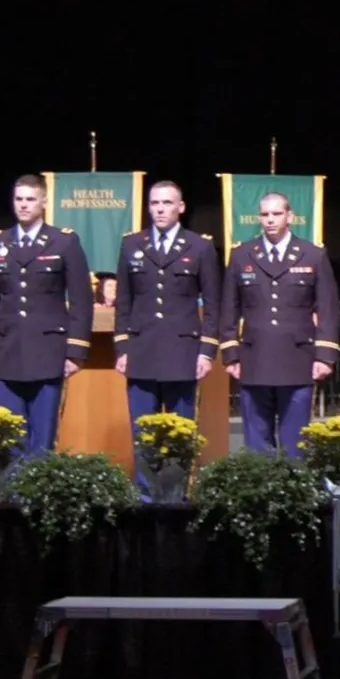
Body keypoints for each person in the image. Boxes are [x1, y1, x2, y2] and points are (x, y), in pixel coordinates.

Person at [113, 180, 221, 495]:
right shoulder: (132, 244)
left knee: (179, 436)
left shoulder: (199, 247)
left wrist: (206, 352)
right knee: (143, 435)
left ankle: (175, 501)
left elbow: (212, 305)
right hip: (142, 352)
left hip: (182, 354)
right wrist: (122, 347)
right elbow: (124, 302)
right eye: (155, 204)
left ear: (181, 207)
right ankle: (145, 499)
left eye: (167, 203)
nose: (160, 209)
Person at [0, 175, 93, 458]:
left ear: (43, 202)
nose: (24, 205)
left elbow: (81, 299)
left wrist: (75, 352)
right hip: (8, 352)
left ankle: (38, 496)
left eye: (30, 199)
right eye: (19, 199)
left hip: (49, 352)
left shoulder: (63, 242)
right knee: (10, 435)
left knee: (43, 436)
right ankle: (13, 500)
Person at [218, 192, 339, 460]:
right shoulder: (241, 255)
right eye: (265, 215)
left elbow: (328, 310)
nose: (270, 220)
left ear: (289, 216)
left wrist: (325, 357)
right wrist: (230, 354)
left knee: (295, 444)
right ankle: (261, 499)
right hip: (254, 359)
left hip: (298, 358)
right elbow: (229, 308)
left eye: (276, 214)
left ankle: (294, 497)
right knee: (256, 443)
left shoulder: (313, 255)